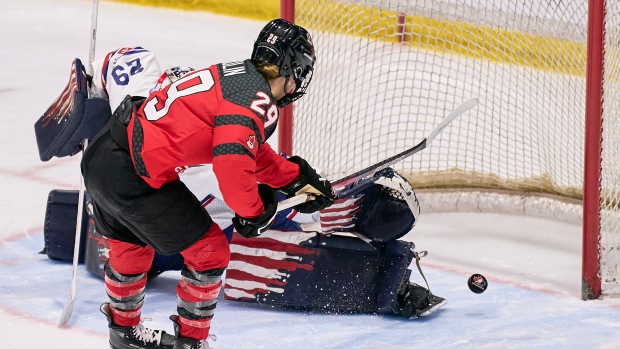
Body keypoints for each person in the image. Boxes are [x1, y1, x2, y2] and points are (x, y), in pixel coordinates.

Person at [80, 18, 336, 349]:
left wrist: (295, 179)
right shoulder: (254, 100)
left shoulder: (238, 75)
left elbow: (247, 151)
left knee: (131, 246)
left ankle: (124, 334)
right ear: (290, 67)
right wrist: (255, 212)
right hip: (134, 175)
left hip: (105, 158)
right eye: (298, 73)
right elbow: (232, 167)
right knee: (211, 253)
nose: (298, 82)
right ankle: (191, 343)